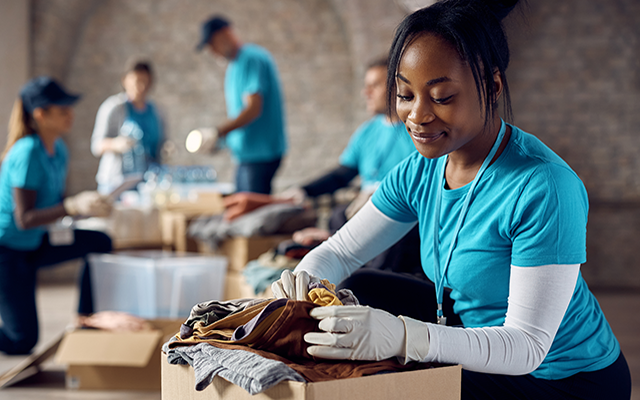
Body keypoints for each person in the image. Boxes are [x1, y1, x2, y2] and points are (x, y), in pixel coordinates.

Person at [271, 1, 632, 398]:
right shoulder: (421, 169)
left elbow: (526, 346)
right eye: (405, 94)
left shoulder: (543, 186)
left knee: (388, 388)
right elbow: (340, 253)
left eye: (441, 97)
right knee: (362, 289)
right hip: (468, 328)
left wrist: (407, 337)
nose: (417, 116)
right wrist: (306, 278)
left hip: (560, 378)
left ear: (492, 86)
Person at [0, 77, 113, 355]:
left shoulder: (59, 149)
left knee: (100, 241)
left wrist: (86, 211)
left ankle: (86, 320)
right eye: (63, 110)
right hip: (9, 252)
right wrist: (73, 206)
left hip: (36, 243)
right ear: (40, 114)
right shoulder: (27, 152)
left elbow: (56, 205)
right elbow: (24, 218)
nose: (70, 115)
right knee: (22, 341)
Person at [197, 15, 287, 194]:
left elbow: (253, 109)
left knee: (253, 217)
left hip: (261, 156)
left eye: (212, 45)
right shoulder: (234, 66)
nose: (213, 52)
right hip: (246, 156)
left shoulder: (250, 59)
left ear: (224, 34)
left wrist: (218, 131)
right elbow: (240, 116)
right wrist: (220, 141)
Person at [91, 60, 165, 195]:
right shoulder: (114, 107)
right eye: (137, 81)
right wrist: (115, 144)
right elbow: (96, 145)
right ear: (125, 80)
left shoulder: (156, 111)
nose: (141, 87)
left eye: (146, 82)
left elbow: (160, 144)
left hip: (146, 183)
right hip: (116, 183)